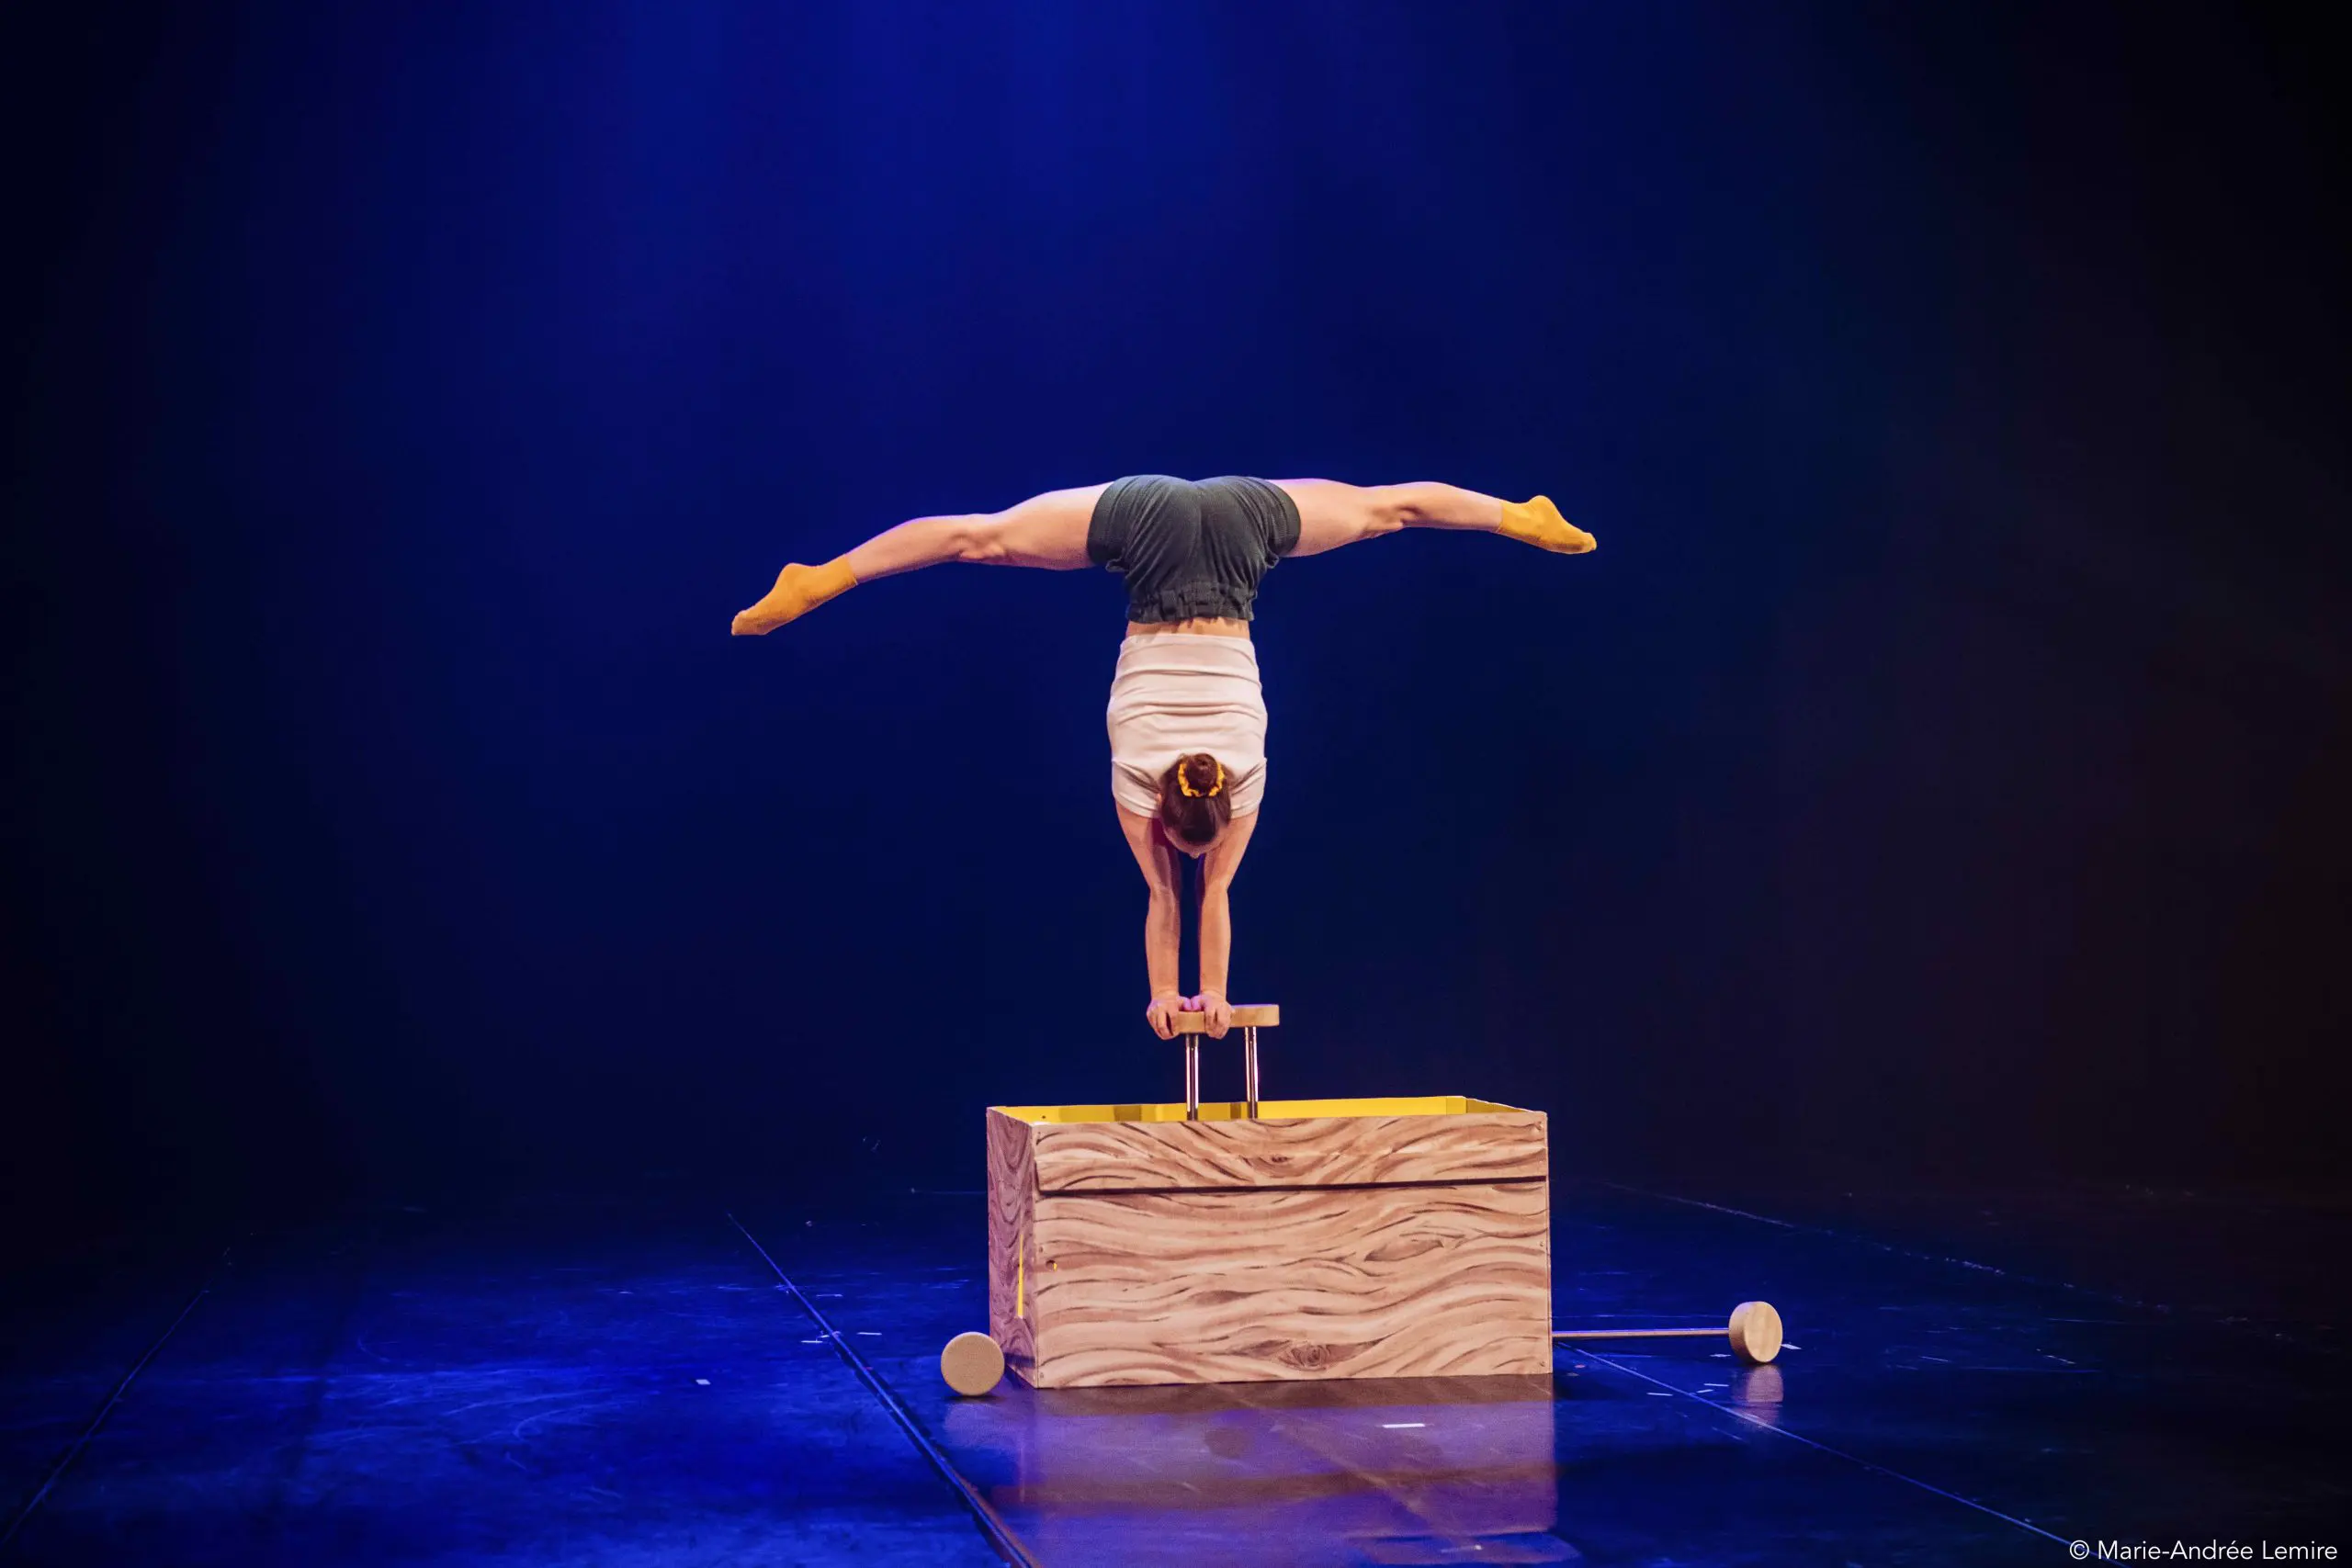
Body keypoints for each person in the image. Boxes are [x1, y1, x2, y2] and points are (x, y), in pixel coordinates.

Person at [731, 476, 1595, 1040]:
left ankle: (826, 575)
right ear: (1189, 812)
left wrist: (1182, 997)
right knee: (1387, 509)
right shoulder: (1151, 774)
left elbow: (1188, 891)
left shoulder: (1237, 773)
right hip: (1166, 536)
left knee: (976, 535)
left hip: (1218, 519)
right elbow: (1187, 894)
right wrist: (1190, 996)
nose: (1191, 859)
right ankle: (1515, 516)